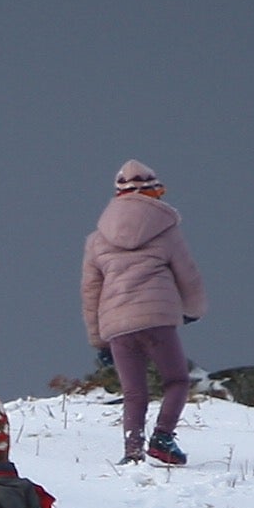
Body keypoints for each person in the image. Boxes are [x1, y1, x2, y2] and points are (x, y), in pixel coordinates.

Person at [81, 159, 208, 466]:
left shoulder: (97, 240)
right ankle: (163, 437)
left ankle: (132, 451)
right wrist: (193, 310)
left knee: (134, 392)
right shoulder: (166, 231)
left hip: (117, 326)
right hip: (158, 319)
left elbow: (90, 292)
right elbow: (187, 275)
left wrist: (99, 341)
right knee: (176, 381)